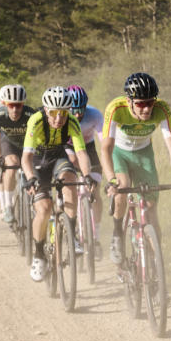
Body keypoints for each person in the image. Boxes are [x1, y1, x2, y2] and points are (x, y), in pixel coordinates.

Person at [100, 73, 171, 265]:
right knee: (122, 189)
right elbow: (106, 149)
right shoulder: (116, 108)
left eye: (150, 102)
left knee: (150, 207)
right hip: (119, 153)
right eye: (140, 104)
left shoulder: (161, 109)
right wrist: (111, 180)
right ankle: (116, 233)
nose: (147, 108)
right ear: (129, 101)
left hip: (143, 153)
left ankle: (157, 263)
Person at [20, 86, 94, 282]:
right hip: (37, 160)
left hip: (57, 157)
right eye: (54, 113)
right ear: (46, 110)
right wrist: (30, 178)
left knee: (70, 179)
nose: (59, 118)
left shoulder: (71, 122)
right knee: (44, 209)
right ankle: (38, 255)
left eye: (64, 113)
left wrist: (86, 176)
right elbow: (26, 157)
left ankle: (71, 234)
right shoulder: (35, 120)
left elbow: (81, 153)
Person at [0, 84, 36, 223]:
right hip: (8, 143)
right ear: (4, 104)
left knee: (34, 171)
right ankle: (8, 206)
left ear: (23, 104)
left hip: (27, 145)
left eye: (18, 105)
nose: (15, 109)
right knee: (12, 165)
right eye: (11, 106)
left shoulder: (31, 115)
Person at [67, 85, 105, 254]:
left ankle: (95, 237)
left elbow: (105, 142)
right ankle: (65, 220)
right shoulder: (62, 116)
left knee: (94, 192)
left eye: (81, 109)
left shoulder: (94, 115)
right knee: (68, 188)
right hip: (66, 148)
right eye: (73, 110)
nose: (77, 114)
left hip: (88, 148)